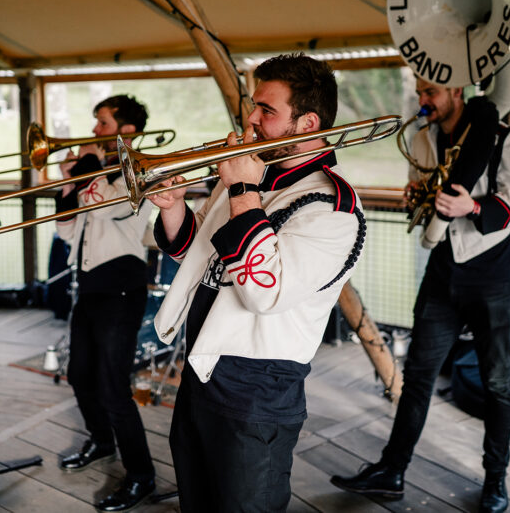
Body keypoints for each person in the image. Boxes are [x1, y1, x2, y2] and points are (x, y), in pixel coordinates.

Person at [150, 54, 366, 512]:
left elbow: (264, 292)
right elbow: (200, 255)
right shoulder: (251, 176)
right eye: (254, 106)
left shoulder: (334, 208)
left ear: (307, 123)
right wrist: (172, 207)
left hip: (258, 388)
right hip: (202, 366)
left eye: (266, 110)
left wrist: (242, 192)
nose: (250, 118)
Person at [330, 79, 510, 513]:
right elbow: (421, 192)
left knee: (498, 382)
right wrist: (416, 197)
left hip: (493, 278)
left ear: (457, 90)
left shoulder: (503, 138)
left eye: (432, 92)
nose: (423, 101)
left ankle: (496, 482)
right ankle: (392, 470)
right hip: (442, 274)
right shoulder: (424, 139)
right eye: (421, 92)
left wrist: (473, 208)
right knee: (418, 376)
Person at [54, 95, 156, 512]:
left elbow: (113, 207)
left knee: (114, 389)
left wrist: (88, 169)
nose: (93, 132)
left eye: (101, 123)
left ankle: (142, 476)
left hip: (121, 290)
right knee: (79, 374)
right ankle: (100, 441)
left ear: (125, 131)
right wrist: (67, 184)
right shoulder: (92, 170)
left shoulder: (142, 167)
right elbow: (65, 231)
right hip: (91, 288)